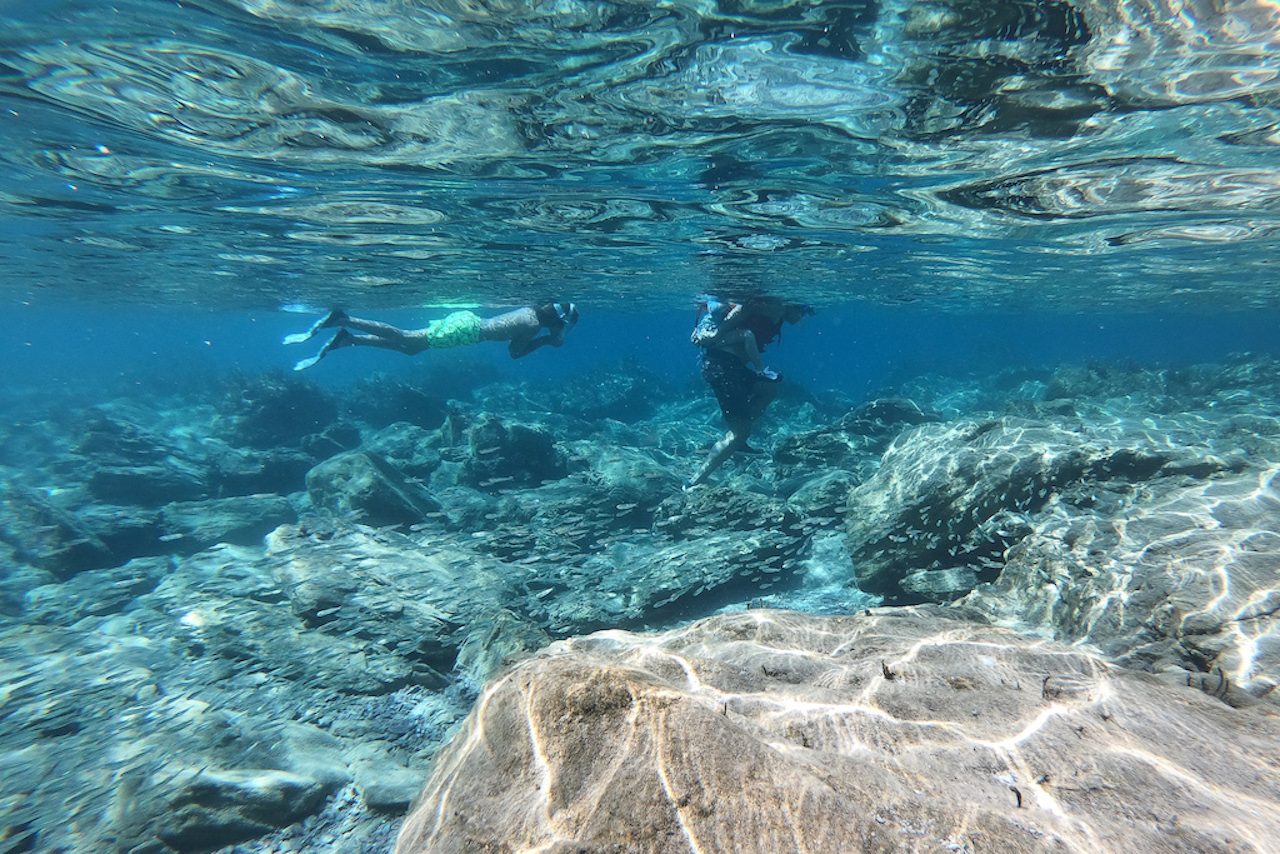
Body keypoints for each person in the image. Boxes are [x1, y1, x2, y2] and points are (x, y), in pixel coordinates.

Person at [686, 296, 813, 488]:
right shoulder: (775, 307)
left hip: (732, 367)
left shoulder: (777, 313)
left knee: (770, 388)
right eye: (804, 311)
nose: (803, 318)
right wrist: (715, 335)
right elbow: (743, 307)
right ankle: (693, 482)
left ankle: (739, 442)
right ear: (794, 304)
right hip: (723, 367)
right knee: (739, 432)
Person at [285, 303, 579, 370]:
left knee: (411, 348)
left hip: (469, 325)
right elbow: (515, 353)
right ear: (560, 321)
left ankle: (349, 338)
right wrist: (551, 340)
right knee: (406, 337)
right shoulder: (532, 327)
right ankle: (345, 320)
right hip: (468, 331)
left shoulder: (531, 314)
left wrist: (554, 331)